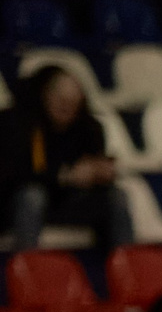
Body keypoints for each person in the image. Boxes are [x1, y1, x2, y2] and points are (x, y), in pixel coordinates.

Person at [2, 64, 132, 252]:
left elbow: (95, 164)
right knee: (32, 196)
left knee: (117, 196)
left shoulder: (89, 127)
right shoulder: (16, 124)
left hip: (68, 202)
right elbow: (13, 174)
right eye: (61, 99)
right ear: (45, 95)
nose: (66, 106)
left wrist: (99, 173)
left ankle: (125, 265)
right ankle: (26, 266)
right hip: (17, 205)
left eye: (73, 102)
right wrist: (64, 176)